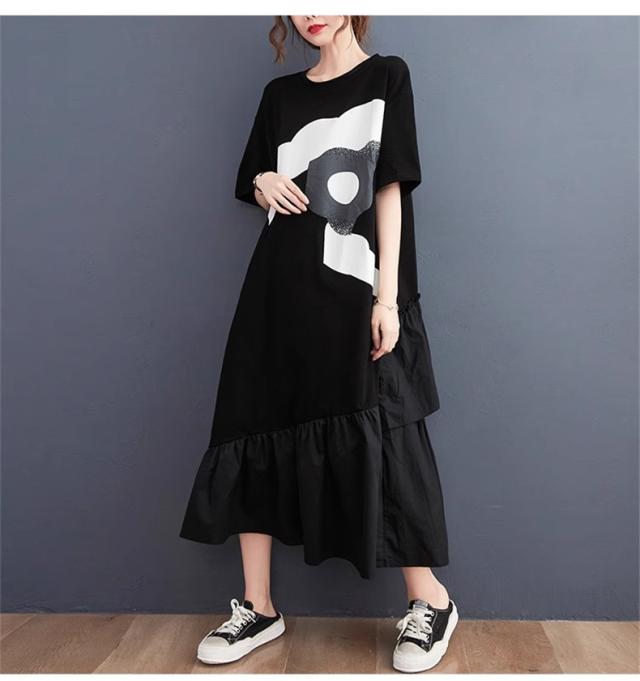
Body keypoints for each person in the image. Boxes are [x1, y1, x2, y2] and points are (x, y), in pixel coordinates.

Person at [179, 15, 458, 673]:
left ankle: (431, 601)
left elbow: (390, 187)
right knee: (252, 423)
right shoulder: (280, 96)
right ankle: (258, 606)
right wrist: (260, 182)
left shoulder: (387, 77)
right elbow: (256, 174)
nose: (312, 11)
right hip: (278, 291)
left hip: (357, 286)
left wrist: (388, 298)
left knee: (385, 429)